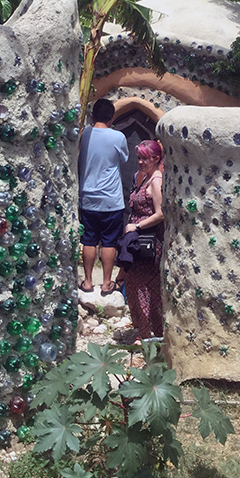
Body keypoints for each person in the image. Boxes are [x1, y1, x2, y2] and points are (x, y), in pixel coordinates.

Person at [78, 98, 128, 294]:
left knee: (89, 240)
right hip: (111, 200)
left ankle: (88, 281)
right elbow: (124, 158)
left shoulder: (86, 134)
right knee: (109, 242)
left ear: (92, 116)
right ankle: (107, 283)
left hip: (88, 198)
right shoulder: (118, 137)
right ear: (112, 117)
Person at [124, 139, 165, 339]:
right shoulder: (144, 178)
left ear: (156, 159)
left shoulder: (156, 181)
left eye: (144, 158)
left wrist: (137, 226)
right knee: (135, 286)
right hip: (138, 241)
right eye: (138, 158)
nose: (140, 162)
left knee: (146, 288)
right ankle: (144, 330)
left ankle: (152, 333)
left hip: (148, 242)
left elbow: (161, 214)